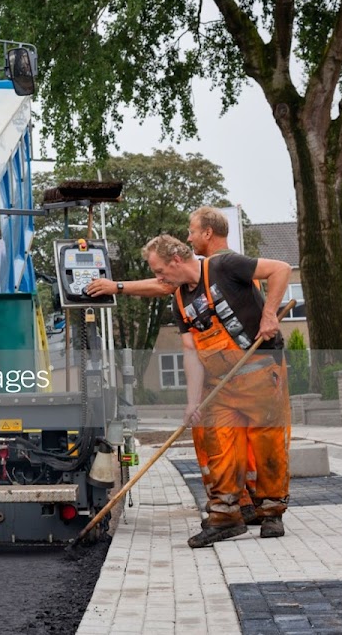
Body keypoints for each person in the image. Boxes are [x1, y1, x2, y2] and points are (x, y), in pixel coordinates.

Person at [86, 207, 263, 525]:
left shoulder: (221, 269)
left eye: (192, 231)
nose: (188, 236)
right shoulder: (219, 270)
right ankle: (240, 503)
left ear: (208, 233)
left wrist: (117, 287)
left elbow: (167, 286)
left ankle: (242, 503)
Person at [142, 233, 291, 547]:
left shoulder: (225, 265)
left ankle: (272, 512)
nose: (159, 278)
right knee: (219, 446)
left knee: (268, 445)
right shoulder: (180, 299)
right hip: (220, 385)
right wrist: (193, 401)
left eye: (160, 271)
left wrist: (268, 316)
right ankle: (225, 518)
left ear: (177, 260)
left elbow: (281, 269)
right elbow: (191, 352)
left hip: (260, 372)